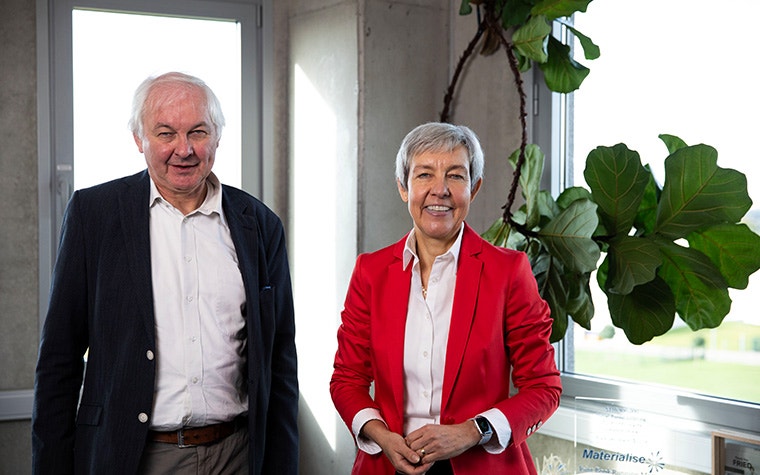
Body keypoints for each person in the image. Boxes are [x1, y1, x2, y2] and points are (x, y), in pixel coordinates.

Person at [32, 72, 298, 475]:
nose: (184, 149)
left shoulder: (260, 225)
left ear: (218, 136)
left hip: (238, 454)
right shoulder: (95, 215)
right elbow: (59, 359)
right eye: (165, 133)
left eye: (198, 132)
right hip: (133, 456)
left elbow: (280, 360)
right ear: (139, 140)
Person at [330, 122, 562, 474]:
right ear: (403, 188)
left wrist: (473, 430)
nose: (440, 190)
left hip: (483, 464)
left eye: (455, 176)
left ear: (475, 187)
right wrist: (383, 437)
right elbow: (347, 379)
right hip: (388, 463)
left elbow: (544, 387)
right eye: (424, 175)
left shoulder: (509, 273)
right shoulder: (370, 272)